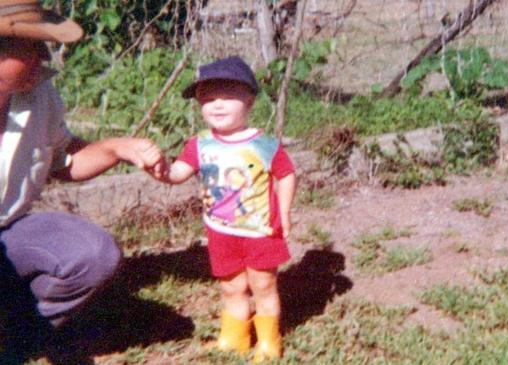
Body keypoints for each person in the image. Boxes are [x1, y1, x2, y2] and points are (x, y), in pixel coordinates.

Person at [0, 0, 164, 362]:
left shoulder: (38, 94)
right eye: (31, 44)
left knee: (91, 253)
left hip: (8, 231)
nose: (43, 57)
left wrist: (116, 148)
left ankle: (22, 334)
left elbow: (63, 160)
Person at [158, 56, 297, 363]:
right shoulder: (199, 144)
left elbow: (286, 174)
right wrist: (158, 167)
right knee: (231, 286)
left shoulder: (264, 145)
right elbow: (178, 173)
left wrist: (284, 212)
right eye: (207, 99)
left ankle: (269, 343)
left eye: (227, 96)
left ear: (249, 100)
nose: (217, 105)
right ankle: (234, 339)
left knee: (263, 285)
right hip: (221, 231)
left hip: (260, 230)